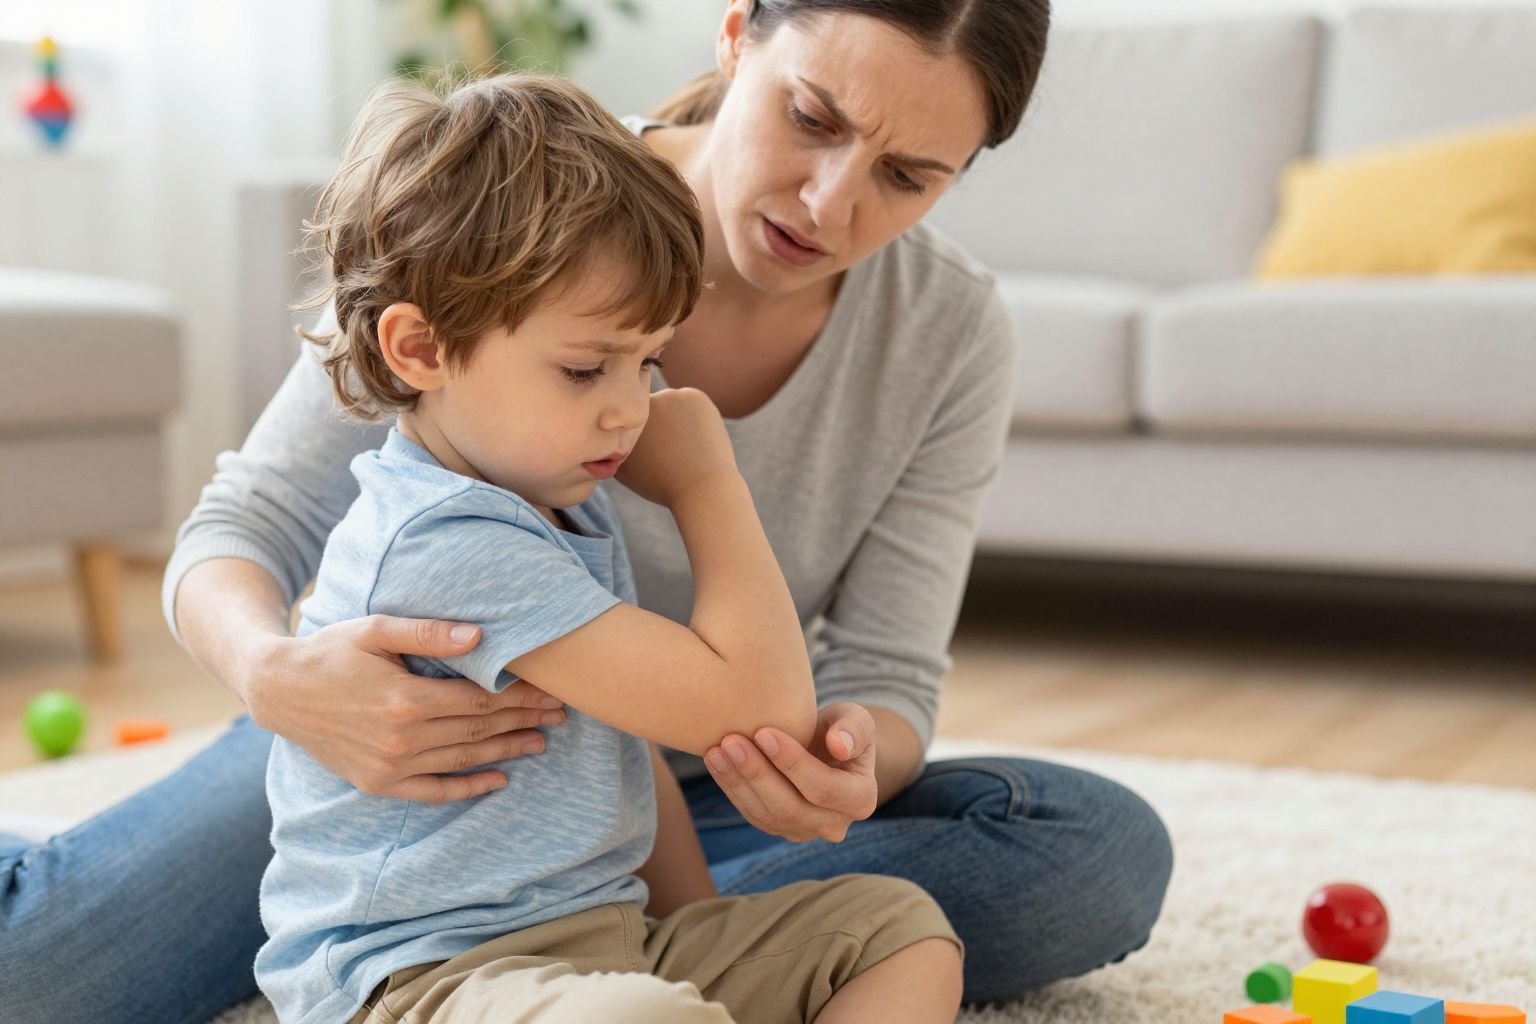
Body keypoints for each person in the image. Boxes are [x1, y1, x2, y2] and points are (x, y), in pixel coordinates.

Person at [0, 3, 1174, 1022]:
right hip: (399, 756)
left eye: (907, 176)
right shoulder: (513, 209)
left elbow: (884, 674)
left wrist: (841, 765)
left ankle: (575, 949)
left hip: (672, 795)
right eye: (812, 117)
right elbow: (247, 520)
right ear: (737, 34)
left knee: (1088, 851)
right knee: (37, 979)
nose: (831, 201)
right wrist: (276, 676)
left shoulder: (947, 329)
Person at [254, 72, 961, 1024]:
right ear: (420, 349)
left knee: (897, 929)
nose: (632, 409)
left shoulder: (558, 502)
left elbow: (627, 759)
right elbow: (763, 709)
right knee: (643, 1016)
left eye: (649, 361)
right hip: (428, 979)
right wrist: (708, 484)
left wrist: (701, 943)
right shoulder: (446, 539)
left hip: (600, 944)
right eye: (587, 369)